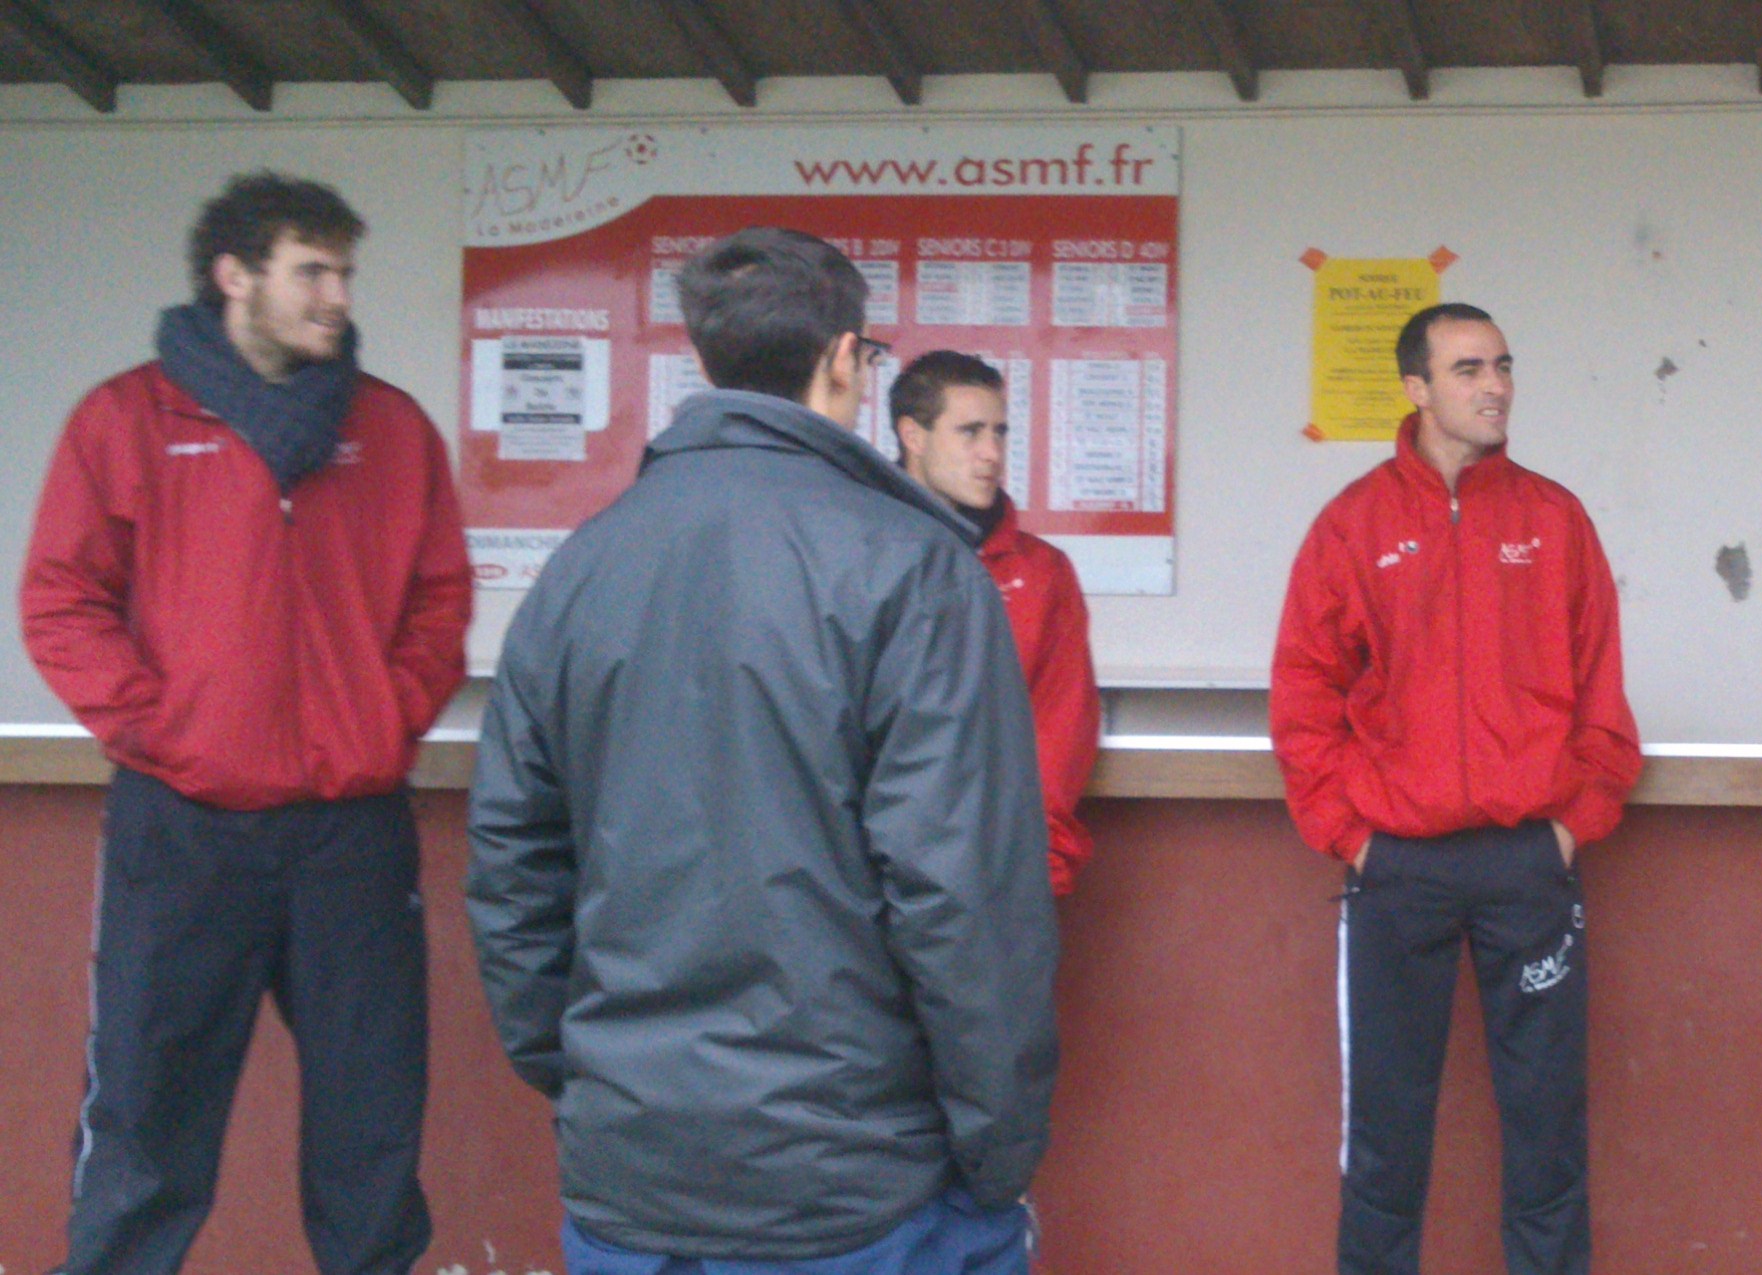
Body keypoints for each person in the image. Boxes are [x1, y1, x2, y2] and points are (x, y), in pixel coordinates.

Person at [466, 228, 1060, 1274]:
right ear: (842, 360)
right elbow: (961, 893)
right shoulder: (917, 568)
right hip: (851, 1183)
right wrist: (997, 1147)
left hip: (632, 1168)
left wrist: (584, 1077)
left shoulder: (581, 568)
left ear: (710, 360)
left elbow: (514, 862)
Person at [19, 171, 469, 1275]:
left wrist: (385, 720)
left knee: (371, 1117)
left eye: (344, 273)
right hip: (184, 826)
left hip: (351, 832)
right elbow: (61, 600)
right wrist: (166, 731)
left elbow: (439, 599)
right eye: (312, 272)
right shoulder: (127, 420)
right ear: (234, 276)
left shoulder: (391, 427)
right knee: (148, 1110)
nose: (337, 297)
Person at [1272, 302, 1642, 1275]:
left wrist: (1572, 825)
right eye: (1469, 369)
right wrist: (1351, 835)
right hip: (1398, 867)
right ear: (1416, 388)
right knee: (1386, 1132)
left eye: (1503, 365)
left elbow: (1601, 689)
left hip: (1528, 862)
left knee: (1547, 1126)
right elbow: (1304, 694)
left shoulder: (1553, 518)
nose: (1496, 386)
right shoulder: (1353, 524)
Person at [890, 350, 1101, 897]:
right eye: (970, 432)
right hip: (873, 885)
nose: (992, 453)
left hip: (1001, 876)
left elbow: (1060, 733)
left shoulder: (1043, 573)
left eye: (1000, 432)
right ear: (913, 436)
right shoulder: (858, 556)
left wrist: (1036, 870)